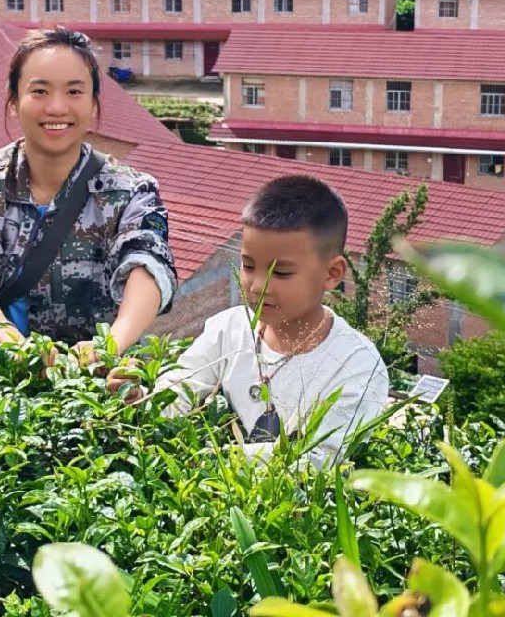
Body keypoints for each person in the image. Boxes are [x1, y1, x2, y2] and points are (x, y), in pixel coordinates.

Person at [109, 175, 388, 469]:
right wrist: (139, 399)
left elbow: (319, 462)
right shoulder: (229, 328)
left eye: (280, 273)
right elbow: (179, 393)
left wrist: (217, 458)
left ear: (332, 273)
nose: (256, 286)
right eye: (248, 265)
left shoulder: (357, 366)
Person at [0, 26, 177, 357]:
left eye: (74, 92)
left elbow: (148, 260)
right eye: (40, 91)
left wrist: (110, 345)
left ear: (93, 105)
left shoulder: (130, 192)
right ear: (15, 101)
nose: (57, 107)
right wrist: (6, 340)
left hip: (98, 383)